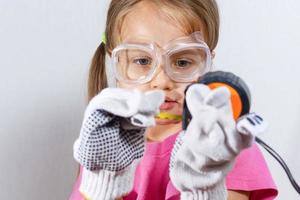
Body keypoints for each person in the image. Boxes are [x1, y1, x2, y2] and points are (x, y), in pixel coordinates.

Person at [69, 0, 278, 199]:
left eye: (182, 62)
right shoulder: (103, 143)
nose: (161, 81)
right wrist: (105, 185)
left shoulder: (223, 148)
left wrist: (205, 188)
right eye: (142, 60)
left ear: (207, 64)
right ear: (116, 61)